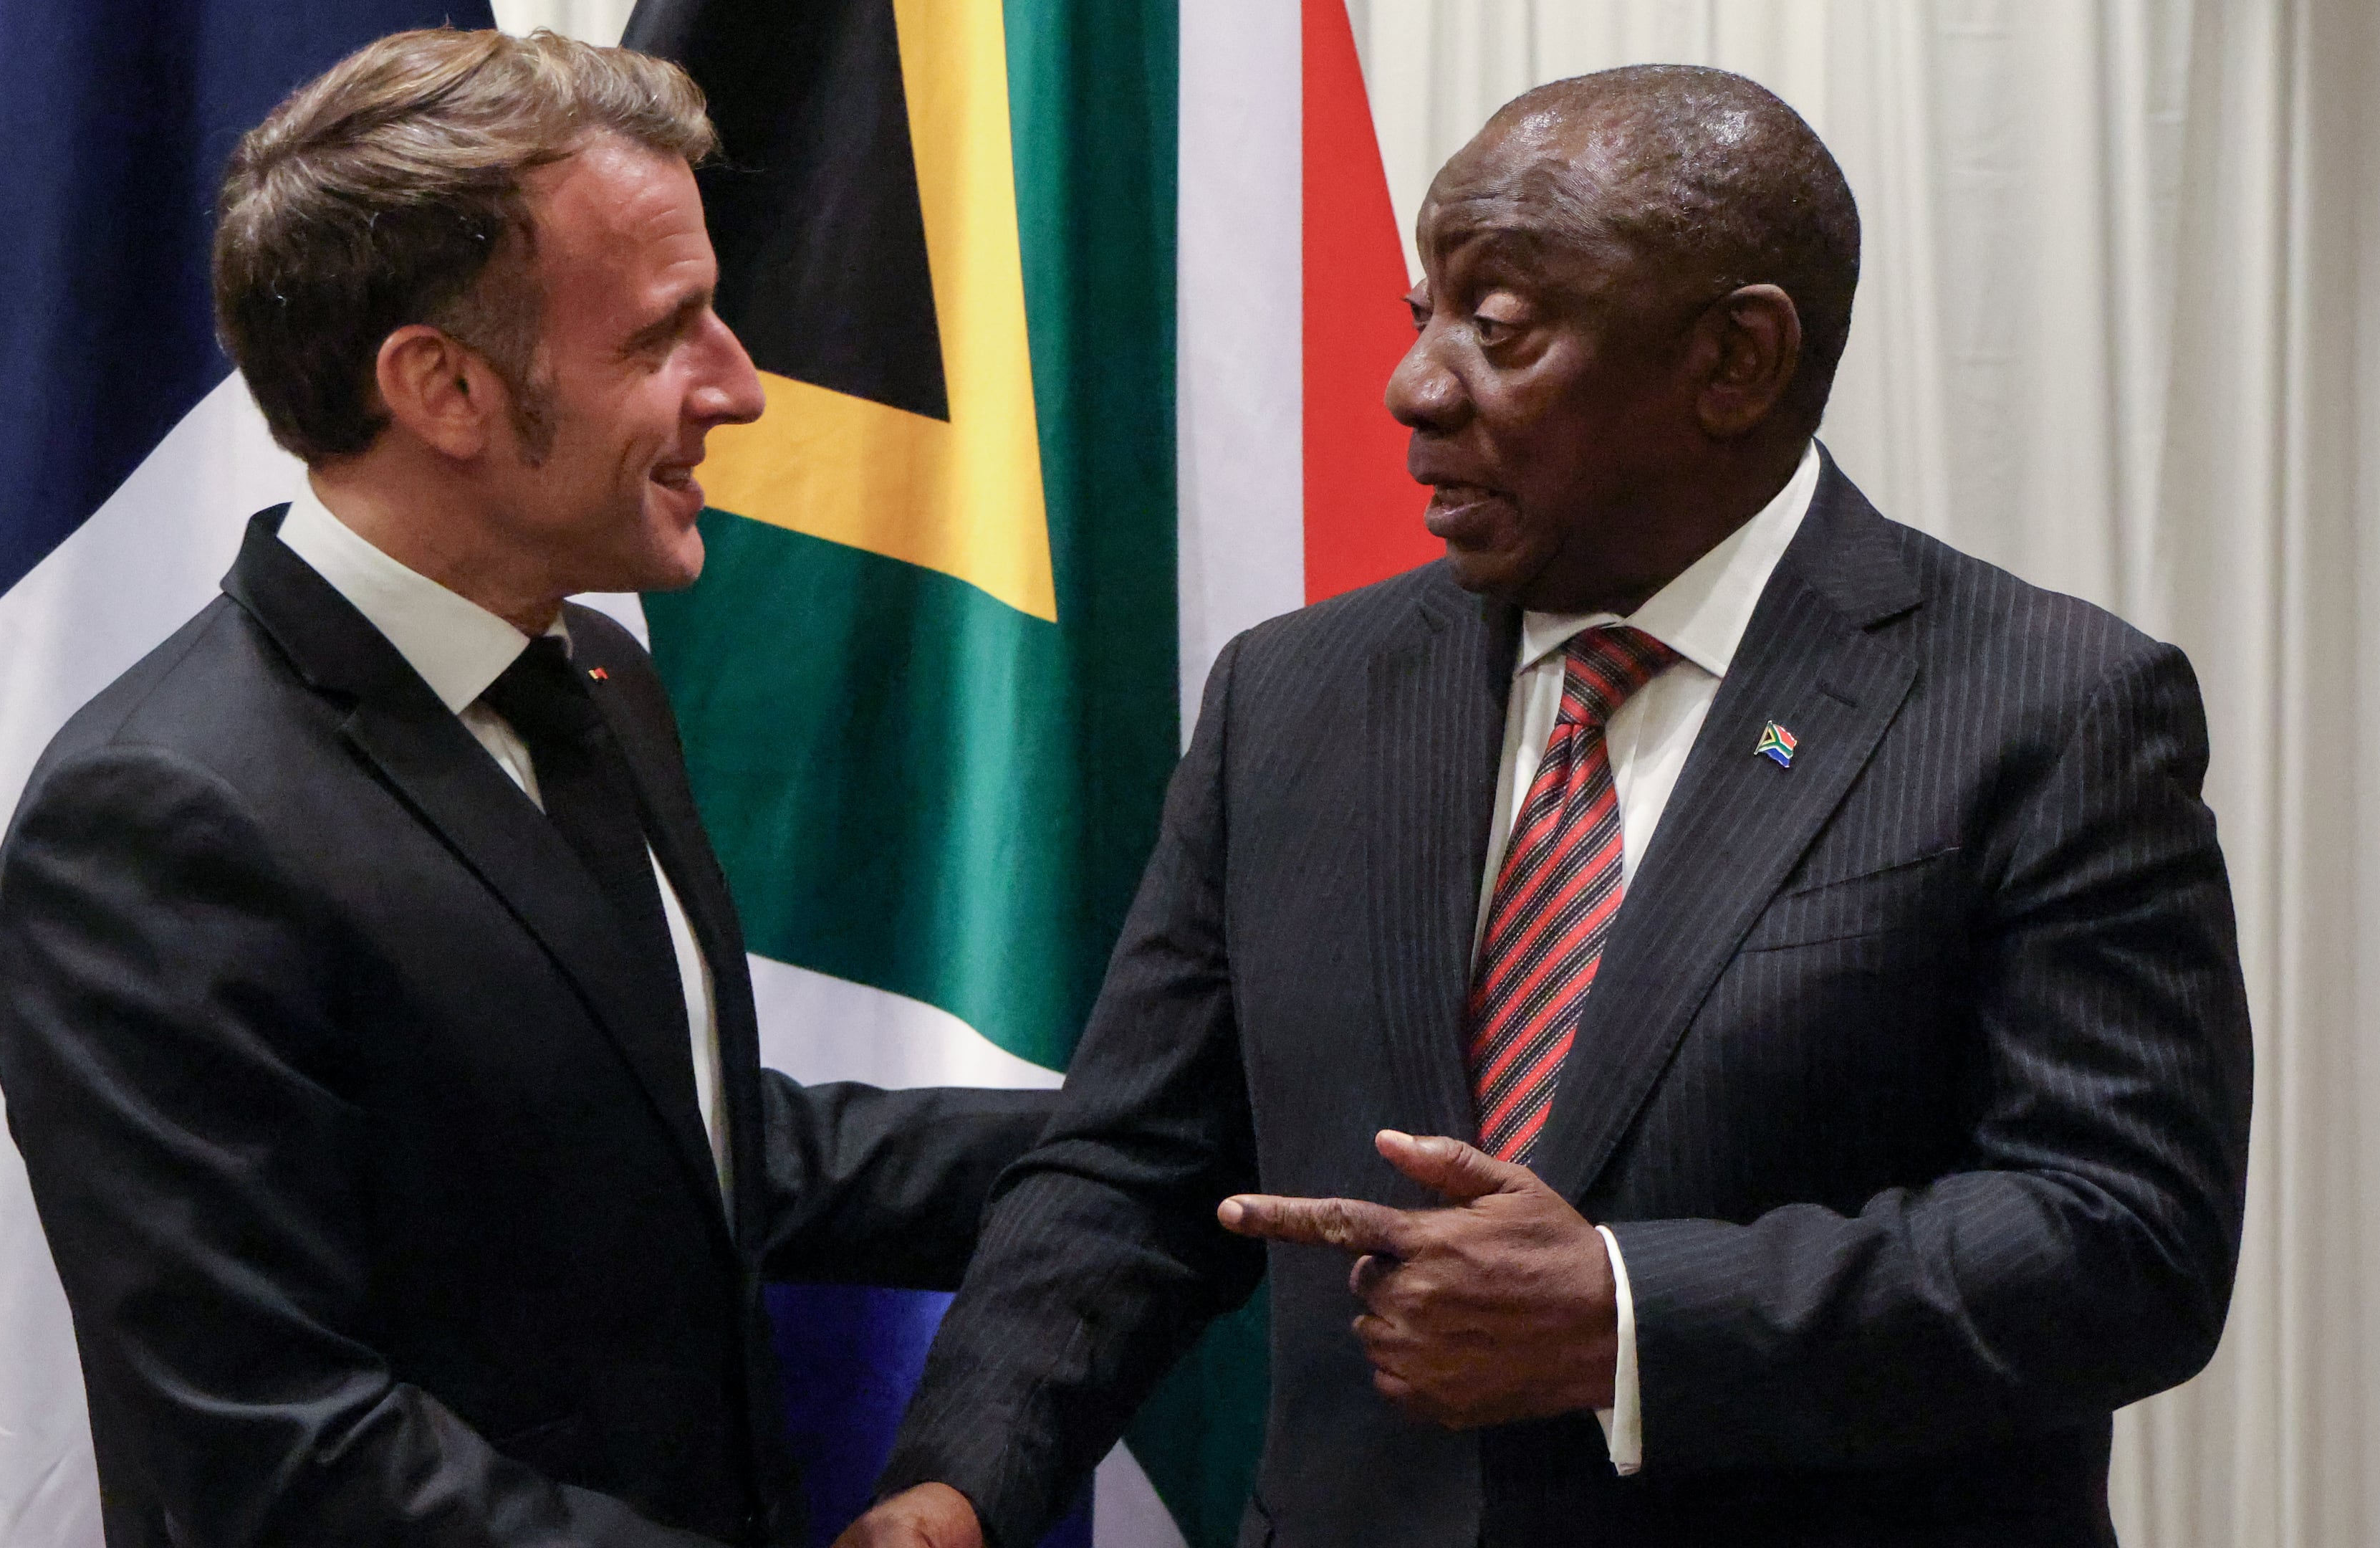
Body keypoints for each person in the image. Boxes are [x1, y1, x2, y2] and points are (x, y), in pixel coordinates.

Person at [842, 64, 2253, 1548]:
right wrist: (962, 1481)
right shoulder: (1294, 698)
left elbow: (2126, 1236)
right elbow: (1137, 1165)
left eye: (1500, 327)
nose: (1417, 384)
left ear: (1735, 360)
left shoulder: (2043, 704)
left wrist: (1629, 1318)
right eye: (1422, 316)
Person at [0, 29, 1050, 1548]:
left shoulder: (603, 678)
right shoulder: (154, 824)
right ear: (445, 387)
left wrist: (1178, 1135)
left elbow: (671, 1141)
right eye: (664, 333)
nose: (739, 388)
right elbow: (276, 1456)